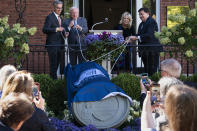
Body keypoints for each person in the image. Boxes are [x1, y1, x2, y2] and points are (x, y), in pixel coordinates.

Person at [129, 8, 163, 76]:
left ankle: (153, 85)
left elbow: (149, 35)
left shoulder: (151, 21)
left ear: (147, 13)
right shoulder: (141, 24)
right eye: (139, 14)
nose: (140, 16)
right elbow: (139, 35)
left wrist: (136, 38)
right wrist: (131, 37)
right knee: (146, 70)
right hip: (145, 51)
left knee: (152, 71)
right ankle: (147, 85)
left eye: (142, 14)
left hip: (152, 51)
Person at [43, 0, 66, 79]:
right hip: (52, 45)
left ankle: (54, 81)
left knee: (57, 64)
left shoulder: (61, 18)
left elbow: (61, 31)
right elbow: (45, 29)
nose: (59, 10)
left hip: (60, 45)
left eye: (61, 8)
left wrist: (65, 34)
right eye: (58, 8)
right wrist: (56, 29)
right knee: (53, 65)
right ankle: (53, 81)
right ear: (54, 8)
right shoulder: (50, 17)